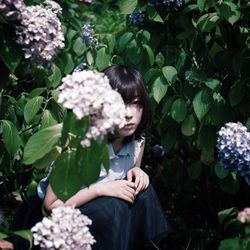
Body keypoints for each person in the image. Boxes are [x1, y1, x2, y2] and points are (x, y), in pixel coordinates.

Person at [39, 65, 170, 250]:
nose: (128, 113)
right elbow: (50, 207)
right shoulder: (81, 143)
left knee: (144, 192)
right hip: (67, 224)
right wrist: (101, 189)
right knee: (113, 206)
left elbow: (128, 183)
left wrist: (137, 171)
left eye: (136, 102)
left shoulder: (136, 140)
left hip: (108, 224)